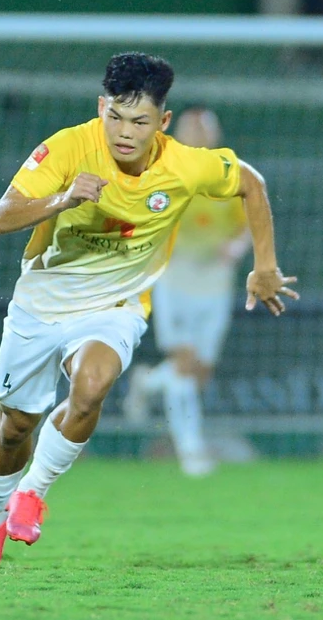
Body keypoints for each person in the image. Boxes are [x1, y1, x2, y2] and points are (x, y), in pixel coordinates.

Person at [0, 53, 298, 568]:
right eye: (114, 117)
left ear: (162, 123)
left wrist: (265, 265)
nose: (124, 132)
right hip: (41, 304)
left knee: (93, 384)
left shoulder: (185, 164)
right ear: (101, 107)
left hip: (116, 305)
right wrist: (62, 199)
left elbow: (250, 182)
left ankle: (32, 493)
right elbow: (0, 217)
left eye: (139, 121)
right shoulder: (69, 146)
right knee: (15, 426)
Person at [122, 107, 250, 477]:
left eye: (205, 130)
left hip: (215, 283)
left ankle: (147, 381)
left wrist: (236, 248)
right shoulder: (162, 172)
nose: (198, 136)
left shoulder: (229, 178)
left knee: (198, 374)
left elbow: (245, 226)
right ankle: (191, 452)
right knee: (183, 363)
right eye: (191, 129)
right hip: (174, 279)